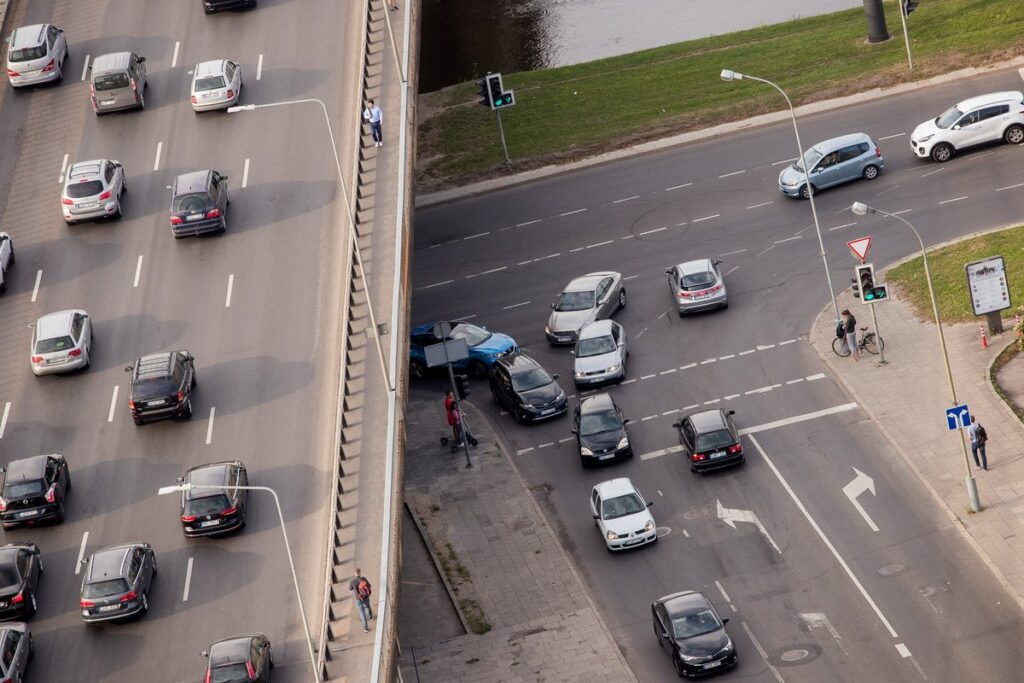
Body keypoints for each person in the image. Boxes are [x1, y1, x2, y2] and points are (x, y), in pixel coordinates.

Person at [349, 568, 374, 633]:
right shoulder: (363, 579)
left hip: (358, 599)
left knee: (362, 613)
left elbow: (350, 588)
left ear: (354, 574)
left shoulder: (352, 581)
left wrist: (354, 588)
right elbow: (369, 585)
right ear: (360, 573)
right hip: (365, 597)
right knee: (368, 607)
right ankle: (371, 617)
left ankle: (366, 628)